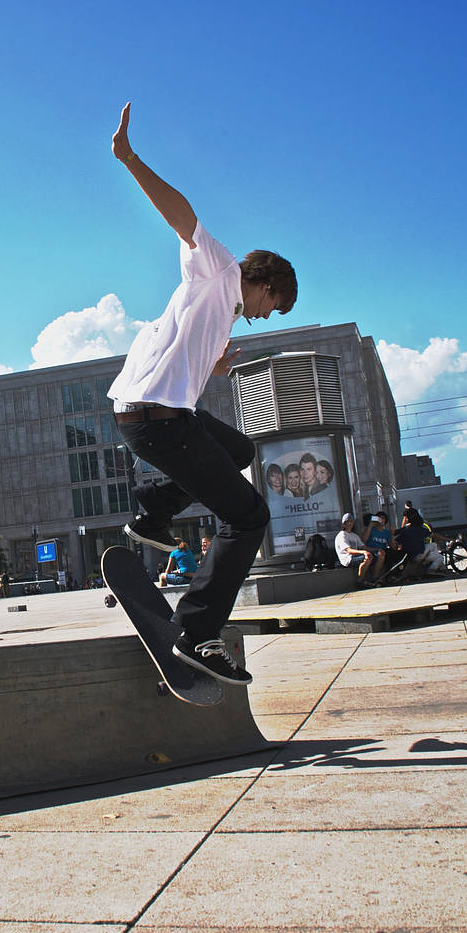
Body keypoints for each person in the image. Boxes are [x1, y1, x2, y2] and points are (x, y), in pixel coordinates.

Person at [106, 103, 296, 686]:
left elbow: (184, 347)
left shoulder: (221, 312)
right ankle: (199, 631)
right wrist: (131, 159)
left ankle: (153, 509)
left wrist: (213, 366)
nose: (264, 316)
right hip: (158, 420)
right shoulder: (219, 270)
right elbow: (182, 216)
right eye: (273, 305)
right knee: (248, 516)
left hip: (158, 414)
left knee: (238, 450)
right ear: (263, 281)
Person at [335, 513, 380, 586]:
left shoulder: (354, 535)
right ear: (344, 523)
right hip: (347, 560)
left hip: (356, 557)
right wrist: (363, 552)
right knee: (368, 557)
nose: (349, 523)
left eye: (351, 521)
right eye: (347, 522)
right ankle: (360, 580)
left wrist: (377, 550)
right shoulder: (342, 535)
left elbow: (363, 547)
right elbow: (349, 550)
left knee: (379, 556)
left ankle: (375, 578)